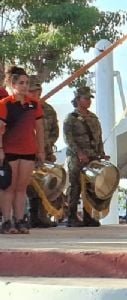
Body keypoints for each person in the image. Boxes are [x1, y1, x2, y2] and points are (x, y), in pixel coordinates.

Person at [0, 66, 45, 234]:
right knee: (8, 187)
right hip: (10, 149)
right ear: (13, 84)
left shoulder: (34, 104)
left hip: (28, 150)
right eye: (21, 83)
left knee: (21, 187)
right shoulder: (5, 104)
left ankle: (19, 220)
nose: (25, 86)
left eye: (27, 83)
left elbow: (39, 128)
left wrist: (41, 150)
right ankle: (7, 221)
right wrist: (0, 149)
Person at [63, 86, 109, 227]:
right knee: (75, 186)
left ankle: (89, 216)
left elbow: (98, 137)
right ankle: (71, 217)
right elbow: (68, 139)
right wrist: (79, 153)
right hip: (77, 158)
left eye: (90, 98)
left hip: (93, 157)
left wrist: (101, 153)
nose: (89, 101)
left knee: (91, 187)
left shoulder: (93, 118)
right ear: (78, 100)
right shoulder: (71, 118)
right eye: (86, 98)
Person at [27, 78, 62, 228]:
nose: (35, 93)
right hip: (26, 152)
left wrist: (48, 144)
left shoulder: (48, 109)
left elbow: (55, 130)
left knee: (45, 185)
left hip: (45, 153)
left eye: (37, 90)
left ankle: (41, 216)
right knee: (27, 185)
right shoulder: (23, 107)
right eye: (32, 90)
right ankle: (28, 216)